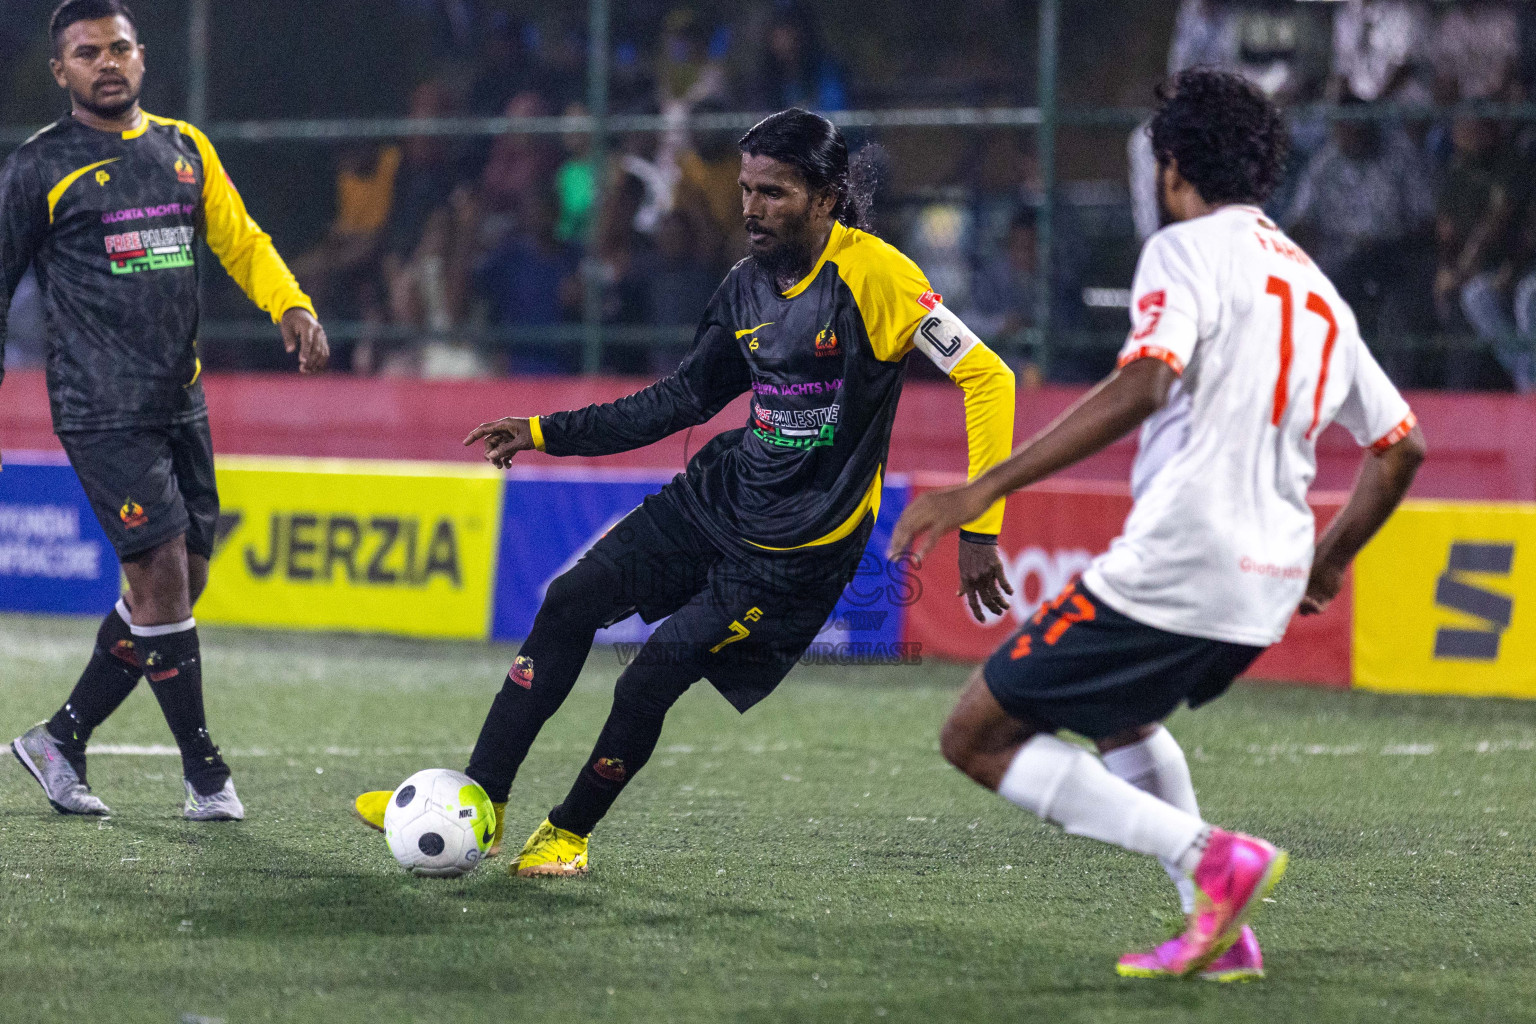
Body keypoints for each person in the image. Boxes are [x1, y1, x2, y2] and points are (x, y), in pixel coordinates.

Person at [353, 108, 1018, 876]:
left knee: (653, 671)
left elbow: (989, 377)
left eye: (773, 192)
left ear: (826, 198)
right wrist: (544, 430)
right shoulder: (744, 289)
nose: (750, 207)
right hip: (716, 502)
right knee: (569, 601)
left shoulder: (880, 278)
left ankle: (567, 833)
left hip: (793, 557)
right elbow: (679, 401)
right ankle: (482, 802)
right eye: (745, 189)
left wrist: (979, 527)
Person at [889, 69, 1425, 980]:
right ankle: (1219, 932)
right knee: (1121, 717)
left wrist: (986, 489)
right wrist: (1330, 563)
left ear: (1171, 168)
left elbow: (1149, 378)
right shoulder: (1317, 288)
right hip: (1266, 584)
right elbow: (1402, 446)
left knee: (974, 737)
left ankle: (1208, 857)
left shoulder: (1185, 251)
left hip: (1183, 558)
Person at [1, 0, 329, 820]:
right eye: (86, 53)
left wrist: (289, 304)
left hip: (180, 398)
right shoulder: (40, 167)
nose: (105, 62)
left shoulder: (186, 149)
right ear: (61, 71)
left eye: (118, 47)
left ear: (142, 57)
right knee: (160, 581)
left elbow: (240, 238)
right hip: (98, 408)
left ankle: (60, 738)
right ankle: (205, 773)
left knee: (185, 581)